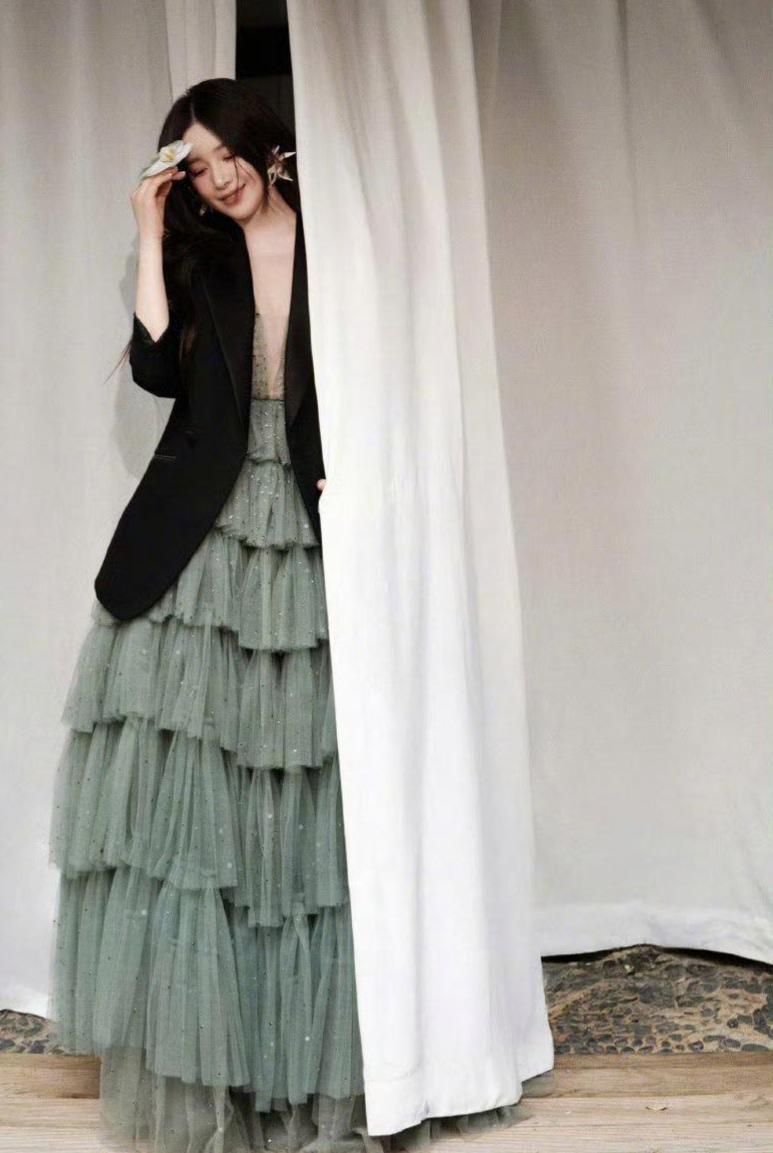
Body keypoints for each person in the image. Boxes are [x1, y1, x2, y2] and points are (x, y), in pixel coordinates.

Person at [47, 78, 525, 1153]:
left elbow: (391, 368)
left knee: (310, 781)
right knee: (202, 788)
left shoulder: (339, 246)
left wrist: (362, 474)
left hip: (317, 519)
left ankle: (320, 1056)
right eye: (195, 165)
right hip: (203, 527)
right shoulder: (200, 253)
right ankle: (217, 1055)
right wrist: (147, 228)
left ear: (268, 148)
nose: (217, 179)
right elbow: (159, 373)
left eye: (227, 155)